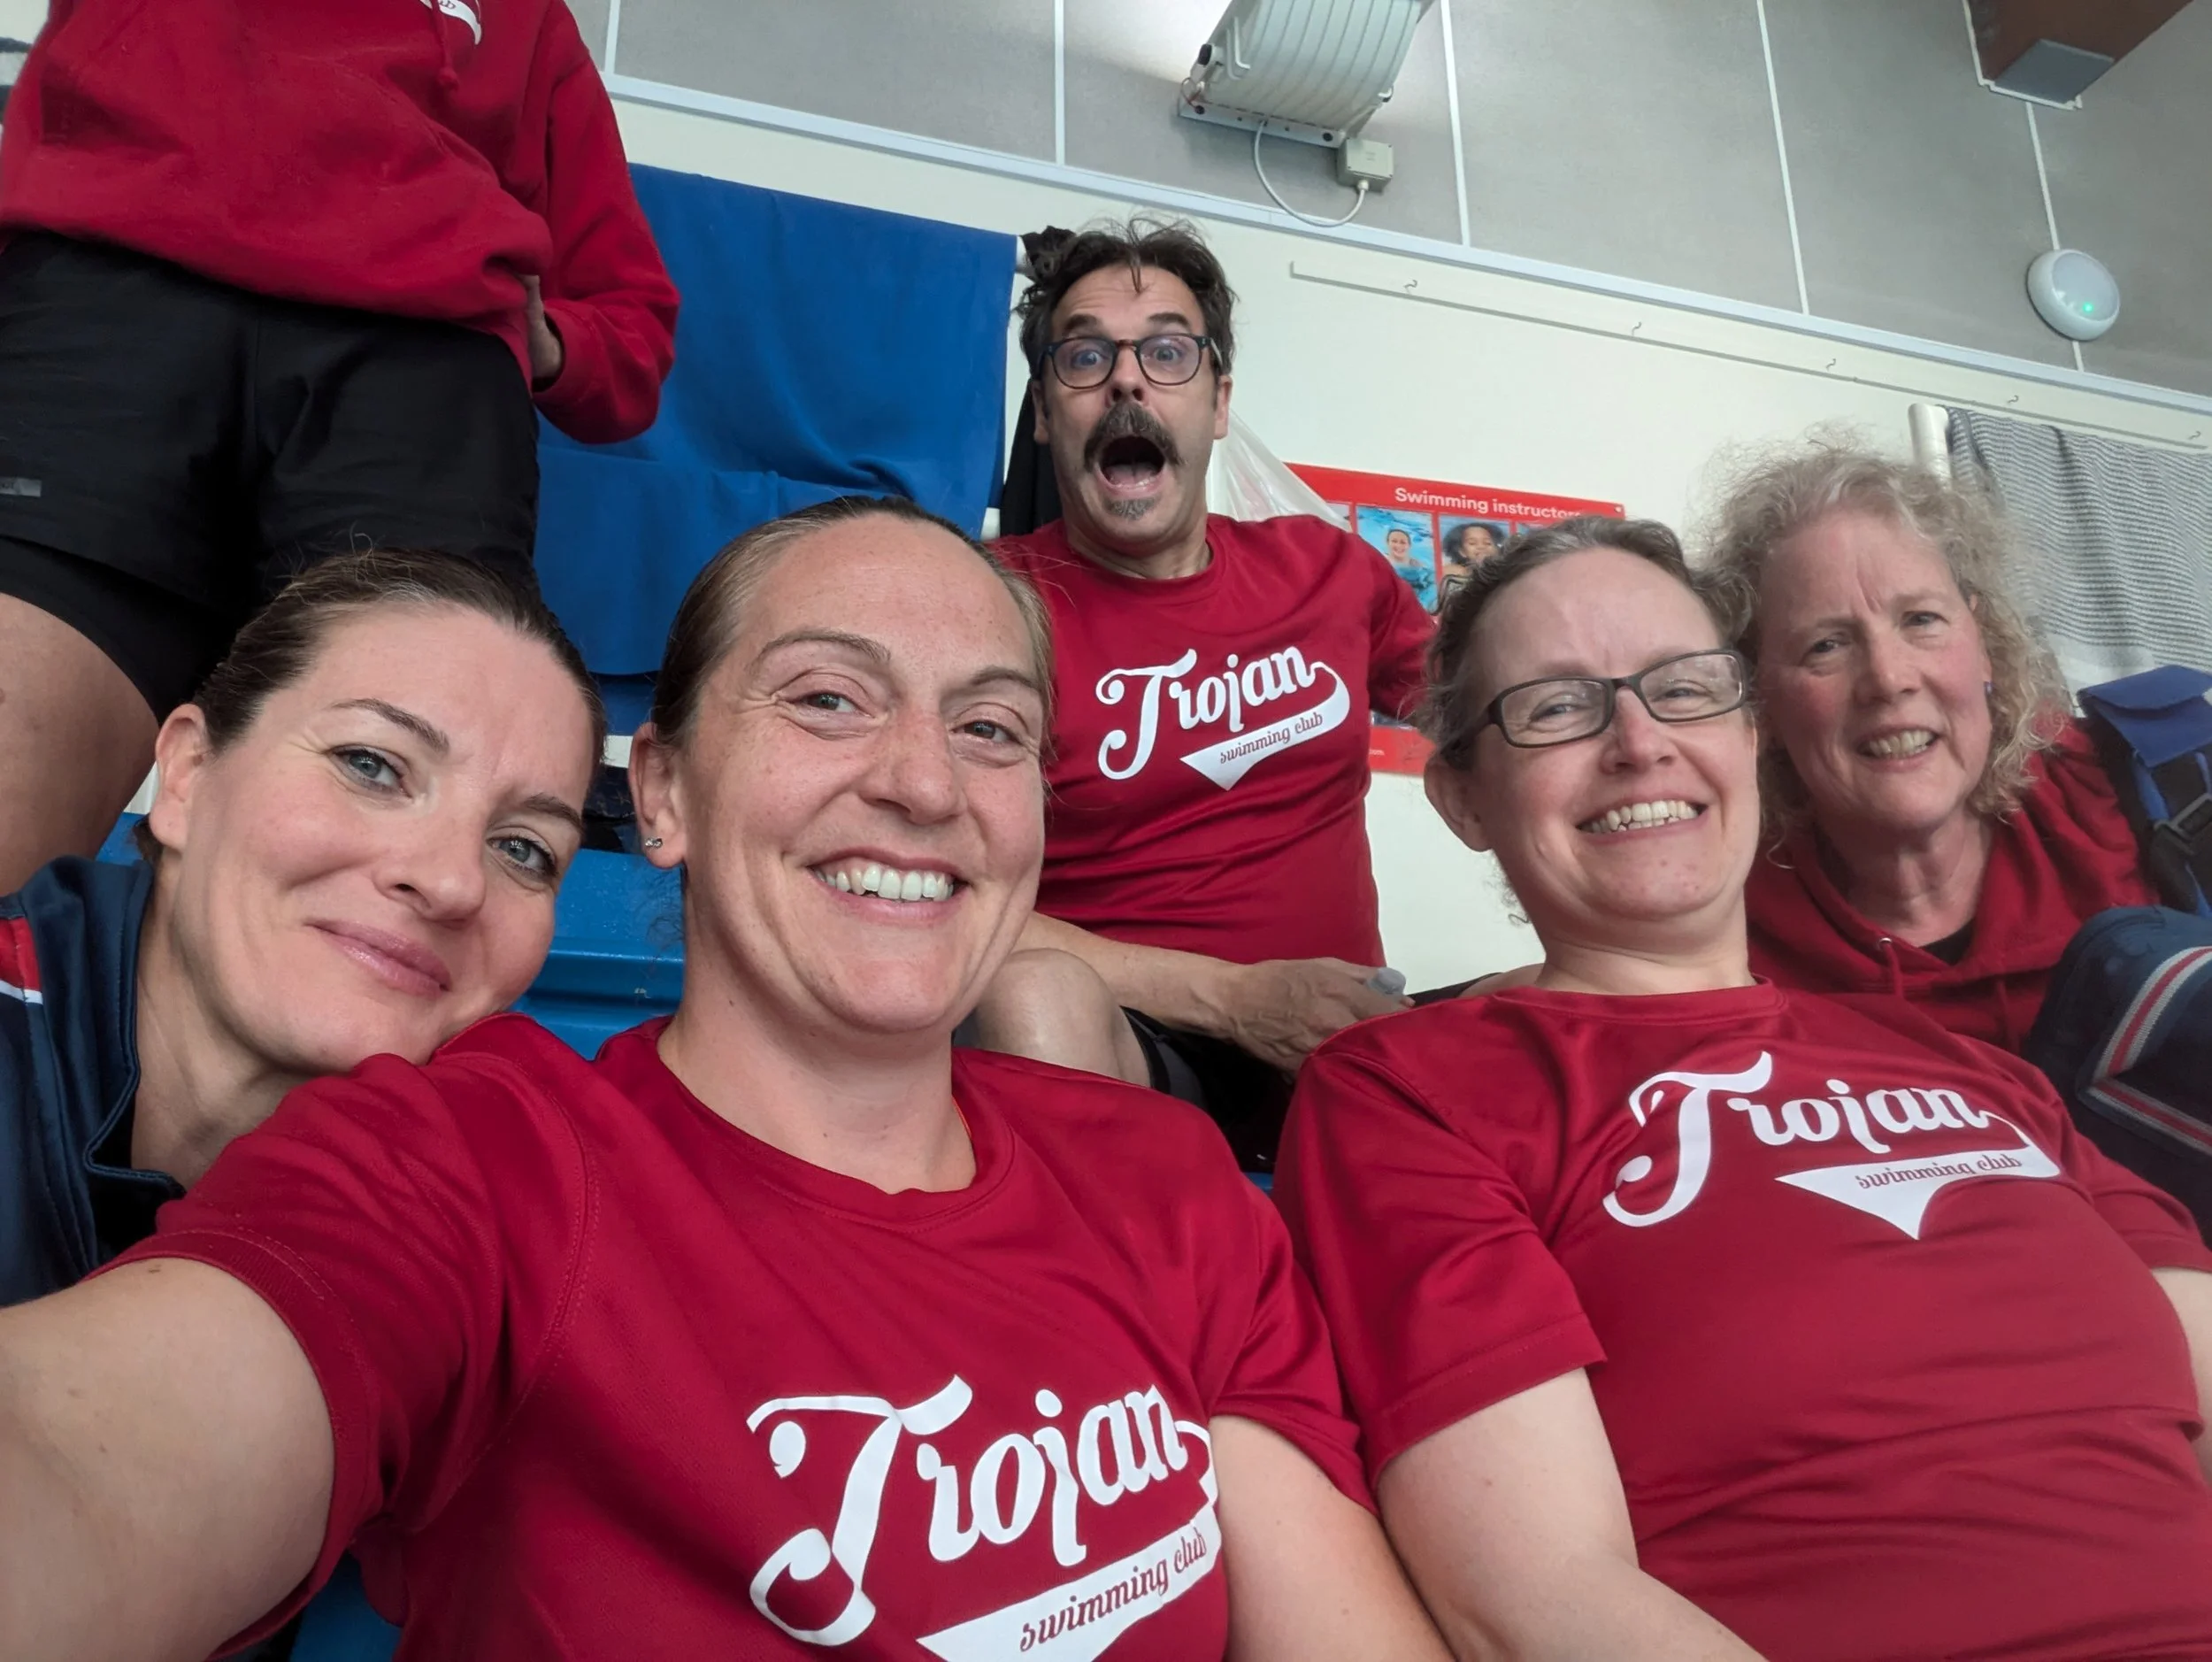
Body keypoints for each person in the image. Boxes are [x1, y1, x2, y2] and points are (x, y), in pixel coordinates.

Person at [0, 496, 1450, 1662]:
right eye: (828, 697)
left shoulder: (1167, 1178)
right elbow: (92, 1463)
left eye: (992, 726)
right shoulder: (490, 1159)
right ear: (671, 791)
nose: (928, 783)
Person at [1277, 515, 2212, 1661]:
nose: (1638, 741)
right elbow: (1537, 1592)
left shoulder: (1965, 1069)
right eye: (1559, 706)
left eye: (1683, 687)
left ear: (1745, 732)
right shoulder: (1416, 1089)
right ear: (1465, 800)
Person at [0, 0, 679, 890]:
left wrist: (548, 339)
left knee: (386, 882)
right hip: (111, 310)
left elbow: (633, 332)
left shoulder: (529, 21)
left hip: (416, 372)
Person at [1, 548, 604, 1309]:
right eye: (372, 765)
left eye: (523, 849)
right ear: (188, 773)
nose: (453, 882)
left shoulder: (494, 1226)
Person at [976, 219, 1432, 1164]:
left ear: (1218, 402)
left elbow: (1501, 720)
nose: (1127, 379)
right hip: (1133, 1047)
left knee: (1577, 996)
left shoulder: (1331, 572)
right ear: (1046, 413)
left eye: (1168, 352)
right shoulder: (979, 605)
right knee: (1031, 1004)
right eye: (1085, 355)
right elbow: (946, 898)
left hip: (1348, 1037)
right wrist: (1233, 998)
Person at [1701, 441, 2154, 1050]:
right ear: (1762, 700)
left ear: (1984, 641)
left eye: (1921, 620)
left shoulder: (2155, 790)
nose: (1889, 679)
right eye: (1826, 646)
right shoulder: (1715, 939)